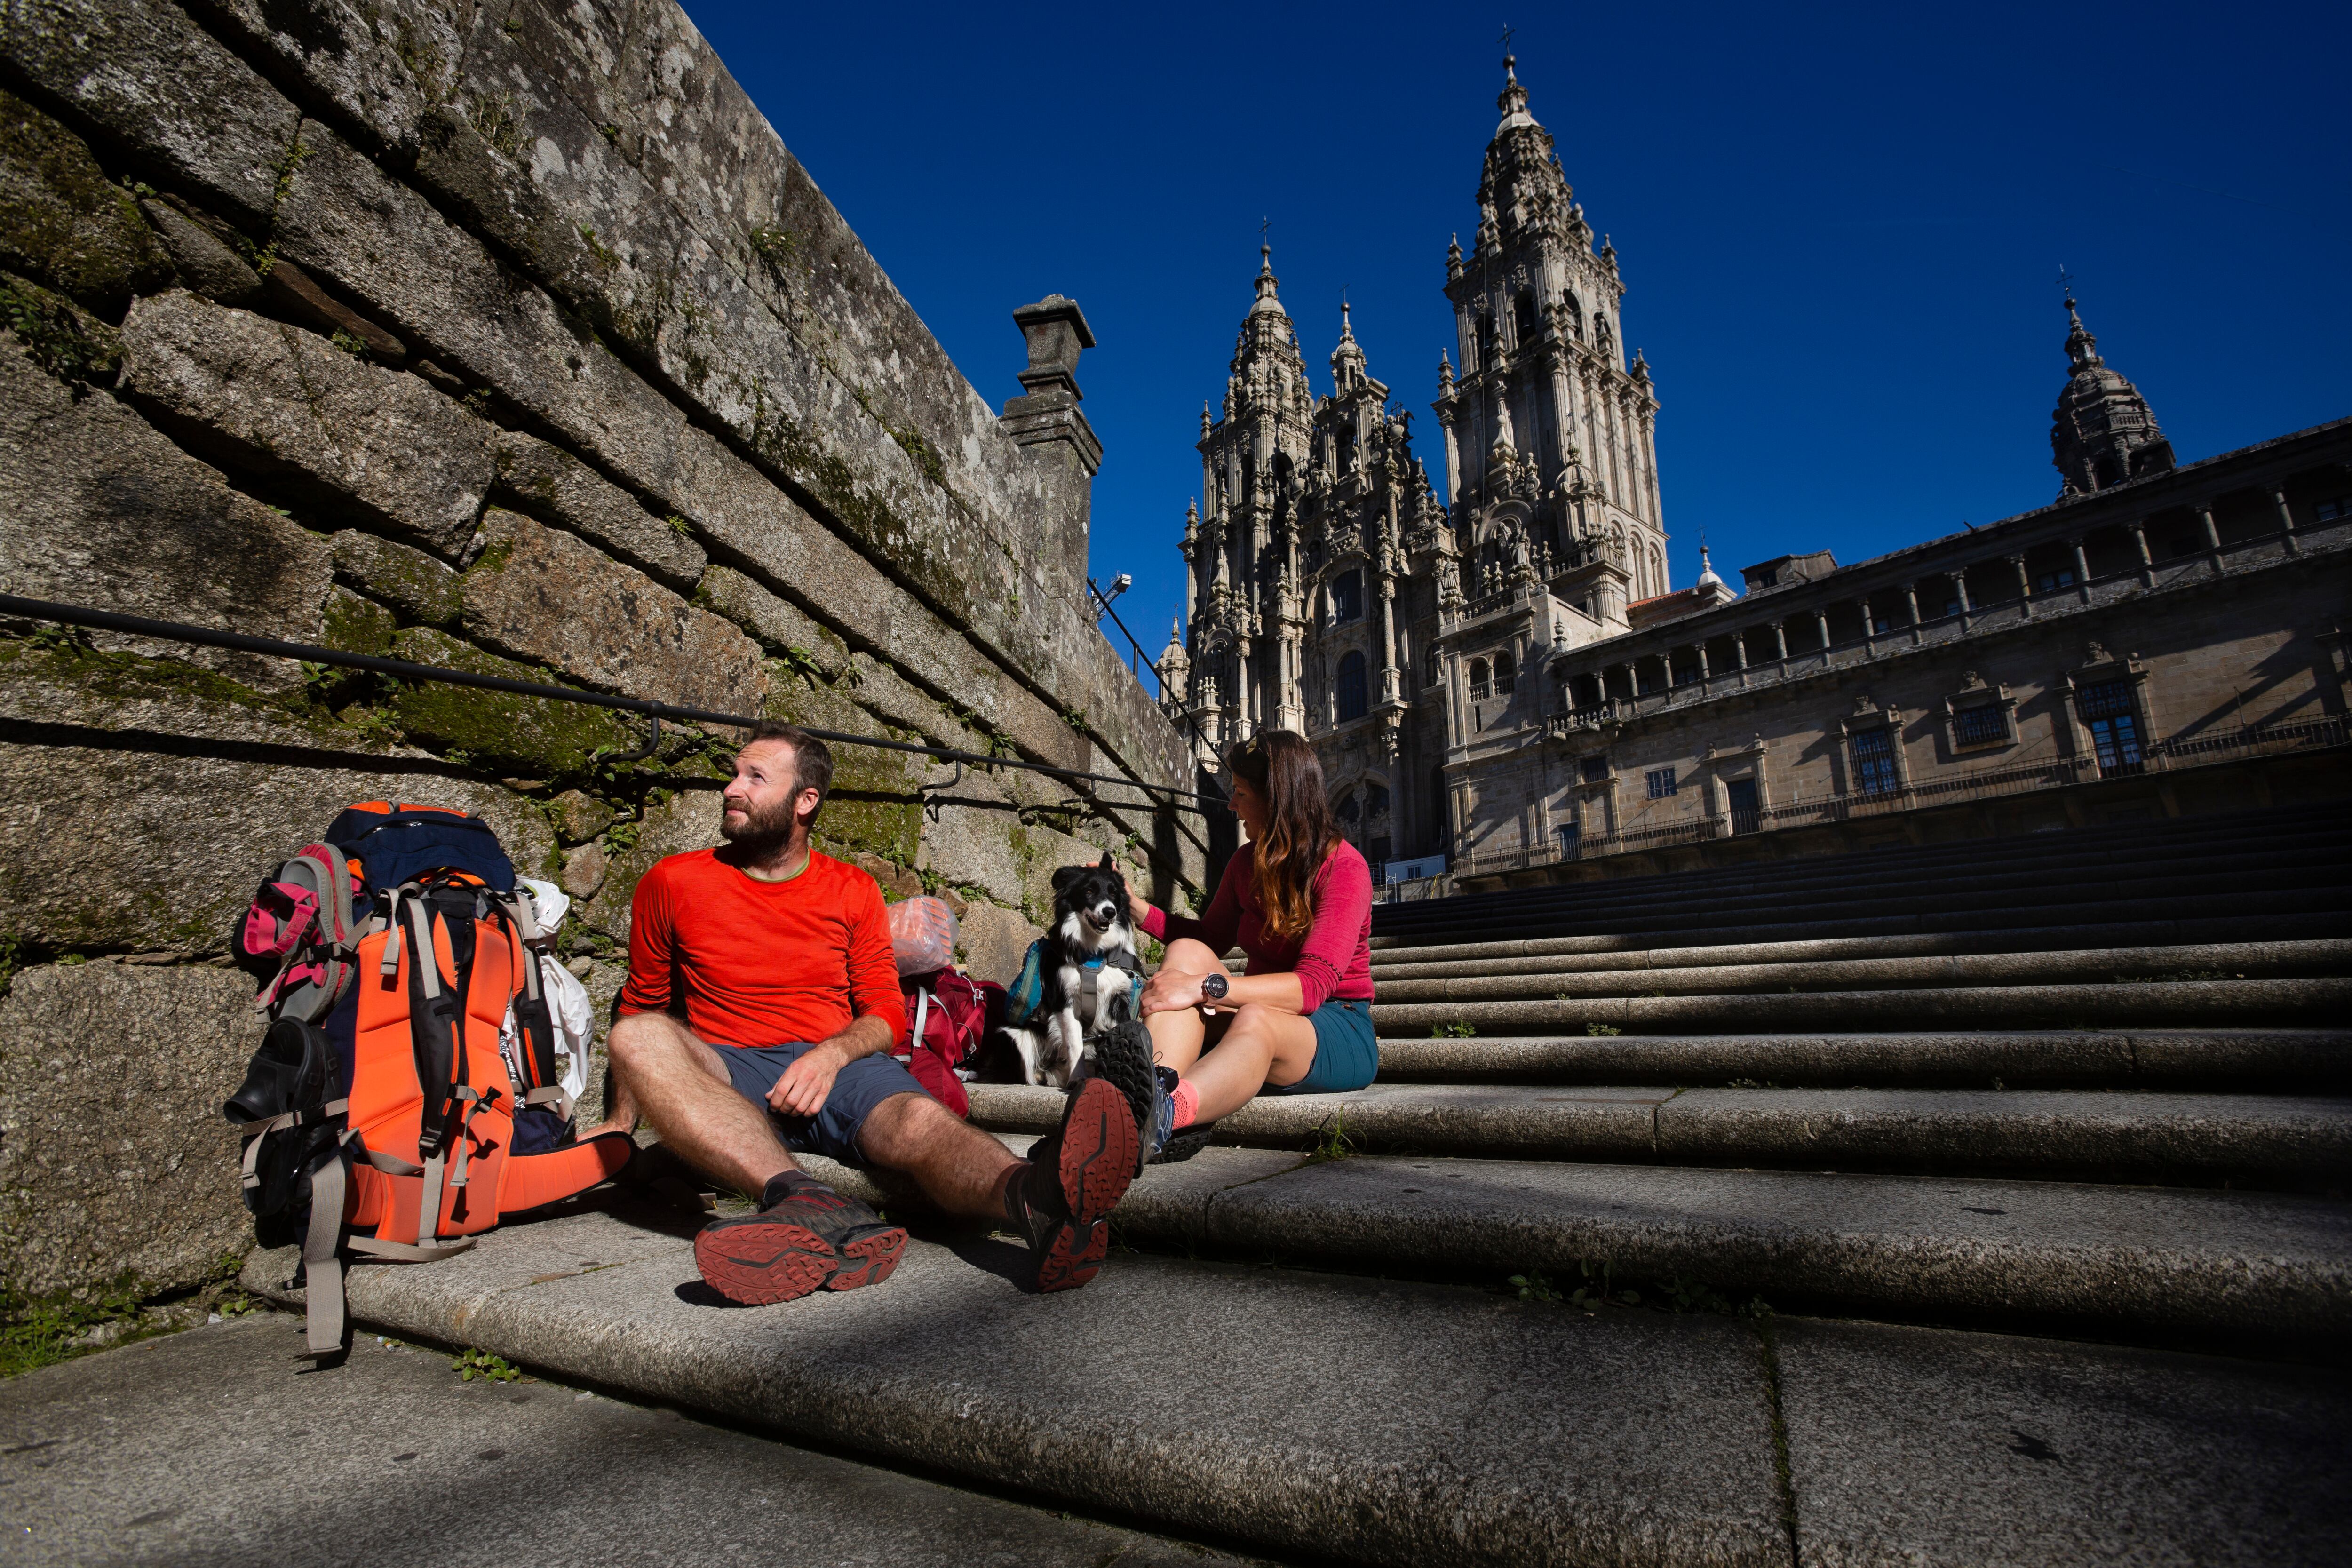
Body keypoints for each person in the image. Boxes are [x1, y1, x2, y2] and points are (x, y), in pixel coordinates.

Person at [586, 720, 1142, 1304]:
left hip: (839, 1065)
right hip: (728, 1069)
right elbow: (641, 1005)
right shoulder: (672, 882)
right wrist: (620, 1126)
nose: (732, 788)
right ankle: (804, 1197)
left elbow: (882, 1013)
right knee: (639, 1036)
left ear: (806, 801)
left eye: (754, 777)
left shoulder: (851, 890)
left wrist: (830, 1056)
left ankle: (1038, 1199)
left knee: (917, 1121)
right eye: (734, 773)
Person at [1126, 730, 1376, 1152]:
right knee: (1188, 953)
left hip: (1338, 1024)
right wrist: (1134, 907)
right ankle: (1147, 1093)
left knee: (1254, 1017)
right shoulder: (1246, 862)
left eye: (1241, 793)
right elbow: (1207, 938)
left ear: (1278, 800)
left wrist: (1206, 987)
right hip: (1255, 1012)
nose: (1231, 805)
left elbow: (1312, 987)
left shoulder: (1345, 868)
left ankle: (1170, 1113)